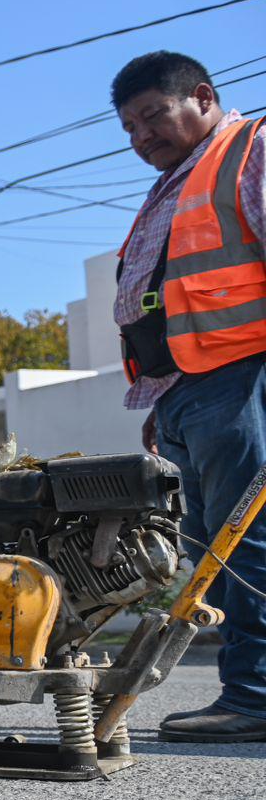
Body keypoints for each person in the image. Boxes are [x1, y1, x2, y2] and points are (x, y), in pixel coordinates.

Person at [112, 50, 266, 742]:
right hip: (187, 393)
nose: (141, 135)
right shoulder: (178, 182)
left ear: (201, 98)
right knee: (213, 558)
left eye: (151, 116)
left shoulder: (249, 151)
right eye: (129, 128)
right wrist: (159, 396)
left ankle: (256, 700)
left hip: (241, 380)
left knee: (248, 547)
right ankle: (247, 694)